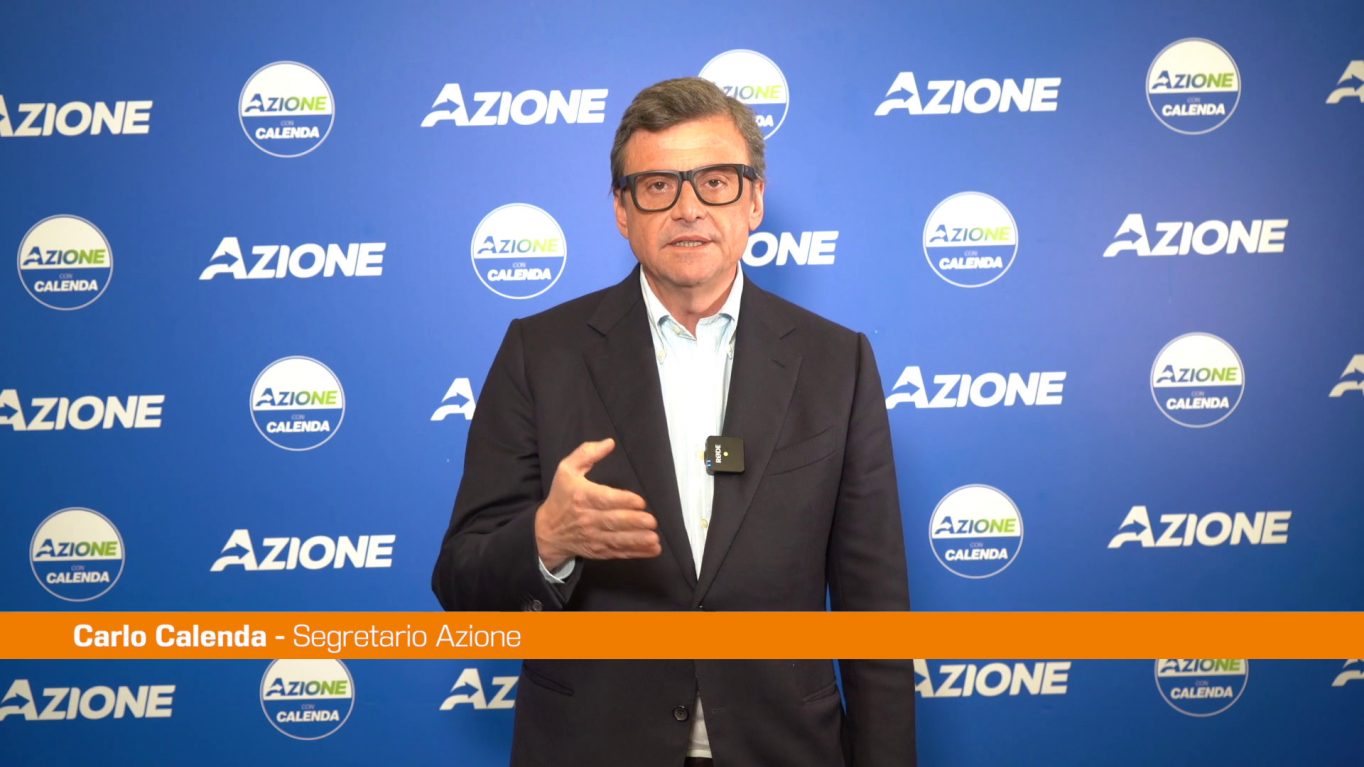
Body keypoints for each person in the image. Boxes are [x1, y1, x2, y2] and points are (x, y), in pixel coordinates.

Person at [432, 76, 915, 767]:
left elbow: (877, 616)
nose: (688, 208)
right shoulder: (540, 353)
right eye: (658, 186)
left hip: (783, 746)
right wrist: (547, 539)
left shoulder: (839, 362)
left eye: (714, 182)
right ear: (622, 211)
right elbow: (461, 581)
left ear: (754, 200)